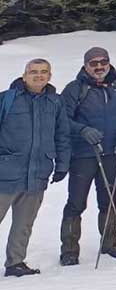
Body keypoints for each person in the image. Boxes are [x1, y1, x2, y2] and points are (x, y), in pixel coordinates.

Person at [58, 46, 116, 266]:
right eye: (93, 63)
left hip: (112, 152)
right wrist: (82, 130)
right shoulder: (75, 88)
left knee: (109, 200)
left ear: (109, 62)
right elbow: (63, 118)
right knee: (76, 202)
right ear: (85, 65)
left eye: (102, 62)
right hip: (83, 154)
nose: (99, 67)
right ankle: (69, 250)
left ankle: (110, 244)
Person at [0, 59, 70, 277]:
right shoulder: (7, 99)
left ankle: (15, 263)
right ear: (24, 75)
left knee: (24, 224)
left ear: (50, 76)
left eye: (43, 72)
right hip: (6, 172)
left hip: (38, 174)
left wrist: (62, 164)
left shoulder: (55, 102)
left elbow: (62, 134)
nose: (38, 76)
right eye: (33, 72)